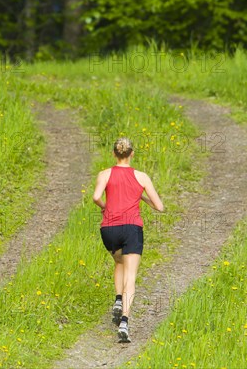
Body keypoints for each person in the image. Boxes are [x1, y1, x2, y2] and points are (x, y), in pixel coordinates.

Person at [92, 137, 164, 342]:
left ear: (114, 154)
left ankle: (117, 299)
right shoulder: (141, 177)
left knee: (119, 261)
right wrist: (141, 196)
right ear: (132, 153)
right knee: (130, 274)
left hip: (109, 228)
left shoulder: (104, 174)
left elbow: (96, 196)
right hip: (132, 228)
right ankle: (124, 321)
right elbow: (160, 207)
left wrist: (106, 208)